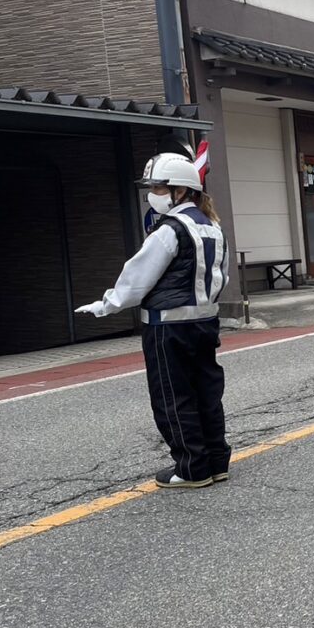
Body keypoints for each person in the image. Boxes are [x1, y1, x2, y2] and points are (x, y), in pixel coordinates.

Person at [75, 153, 231, 488]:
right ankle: (217, 462)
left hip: (167, 327)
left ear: (180, 191)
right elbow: (223, 278)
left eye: (158, 187)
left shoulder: (170, 230)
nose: (153, 193)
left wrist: (106, 305)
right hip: (205, 323)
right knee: (206, 392)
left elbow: (137, 277)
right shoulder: (212, 227)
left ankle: (192, 469)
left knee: (173, 397)